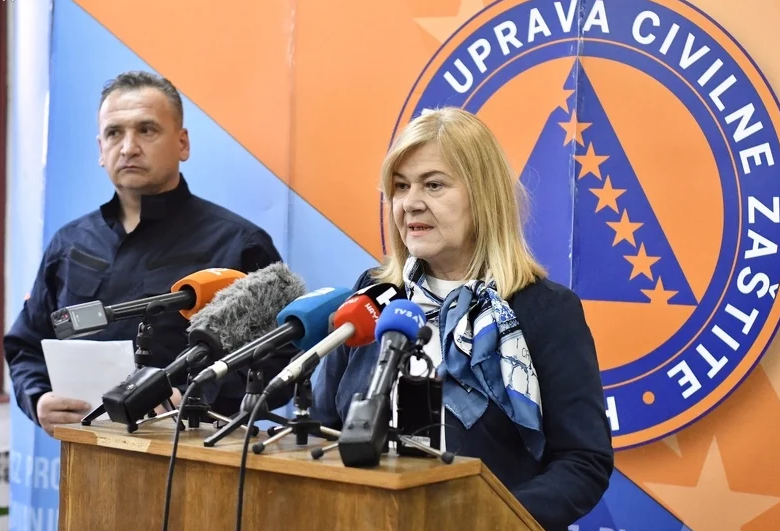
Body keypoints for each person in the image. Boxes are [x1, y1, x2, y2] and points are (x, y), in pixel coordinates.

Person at [311, 107, 613, 530]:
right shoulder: (375, 296)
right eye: (400, 186)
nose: (410, 203)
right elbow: (322, 429)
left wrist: (488, 520)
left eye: (433, 185)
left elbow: (582, 461)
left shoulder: (544, 310)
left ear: (483, 196)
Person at [4, 71, 285, 436]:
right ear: (100, 150)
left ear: (182, 143)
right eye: (114, 133)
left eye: (146, 130)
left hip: (196, 452)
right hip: (86, 456)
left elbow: (281, 358)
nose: (128, 147)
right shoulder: (70, 243)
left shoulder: (239, 243)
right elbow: (26, 344)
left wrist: (195, 397)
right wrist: (37, 397)